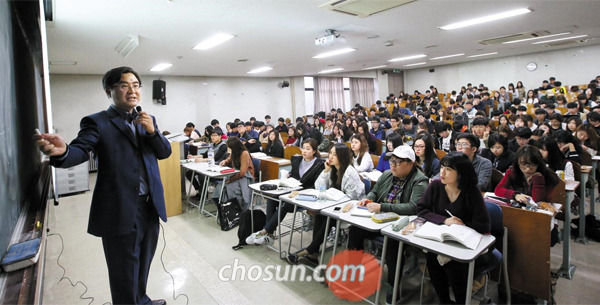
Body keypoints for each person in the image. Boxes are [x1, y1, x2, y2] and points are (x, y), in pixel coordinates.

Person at [35, 67, 170, 305]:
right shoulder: (97, 122)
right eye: (124, 85)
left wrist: (152, 132)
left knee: (144, 260)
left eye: (136, 85)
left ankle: (141, 299)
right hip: (121, 208)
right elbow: (80, 149)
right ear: (109, 90)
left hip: (150, 206)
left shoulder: (147, 119)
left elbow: (164, 152)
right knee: (123, 269)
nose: (133, 90)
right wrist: (64, 151)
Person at [348, 145, 429, 303]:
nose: (393, 165)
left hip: (402, 225)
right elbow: (375, 191)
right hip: (381, 220)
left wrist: (382, 206)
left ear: (410, 163)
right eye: (392, 161)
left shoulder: (420, 181)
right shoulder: (387, 174)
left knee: (393, 246)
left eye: (398, 162)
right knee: (355, 231)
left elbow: (413, 207)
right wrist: (369, 198)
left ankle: (393, 288)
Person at [417, 152, 491, 304]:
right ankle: (444, 301)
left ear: (461, 173)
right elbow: (421, 210)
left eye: (448, 169)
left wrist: (461, 224)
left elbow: (484, 225)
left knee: (456, 267)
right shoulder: (436, 186)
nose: (442, 172)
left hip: (465, 244)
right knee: (433, 259)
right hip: (441, 241)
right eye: (442, 167)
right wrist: (445, 220)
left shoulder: (472, 192)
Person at [287, 144, 365, 265]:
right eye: (330, 153)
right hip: (332, 206)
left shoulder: (350, 173)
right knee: (320, 215)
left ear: (342, 157)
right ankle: (313, 254)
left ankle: (310, 250)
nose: (331, 157)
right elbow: (319, 187)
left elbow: (353, 199)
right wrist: (325, 170)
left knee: (328, 218)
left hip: (349, 210)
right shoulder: (332, 168)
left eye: (335, 154)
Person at [246, 139, 325, 245]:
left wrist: (300, 192)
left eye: (308, 149)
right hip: (291, 190)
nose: (304, 151)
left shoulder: (319, 164)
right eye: (303, 148)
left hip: (305, 196)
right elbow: (293, 174)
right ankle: (269, 235)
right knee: (271, 198)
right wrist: (288, 176)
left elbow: (316, 185)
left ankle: (265, 231)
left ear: (314, 151)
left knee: (285, 203)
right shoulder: (297, 160)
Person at [185, 128, 229, 194]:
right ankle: (198, 190)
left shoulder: (223, 146)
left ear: (220, 136)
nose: (213, 137)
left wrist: (201, 160)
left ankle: (203, 195)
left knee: (201, 176)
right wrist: (193, 156)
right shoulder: (212, 145)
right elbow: (205, 154)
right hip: (208, 165)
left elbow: (215, 158)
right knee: (189, 173)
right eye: (212, 135)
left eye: (215, 135)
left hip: (217, 168)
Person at [218, 137, 255, 210]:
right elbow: (229, 159)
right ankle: (232, 206)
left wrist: (231, 180)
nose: (229, 150)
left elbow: (242, 173)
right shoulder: (234, 151)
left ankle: (239, 207)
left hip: (246, 176)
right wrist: (225, 161)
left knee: (231, 186)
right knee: (224, 187)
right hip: (236, 173)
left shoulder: (244, 153)